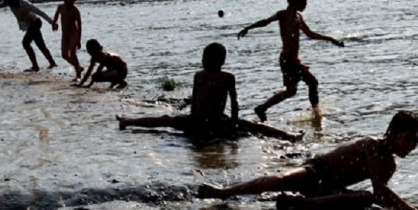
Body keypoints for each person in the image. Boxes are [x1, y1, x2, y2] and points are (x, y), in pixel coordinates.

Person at [197, 110, 418, 210]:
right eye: (408, 138)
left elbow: (379, 195)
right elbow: (381, 190)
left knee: (363, 198)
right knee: (281, 180)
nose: (412, 145)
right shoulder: (372, 145)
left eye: (416, 141)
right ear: (391, 132)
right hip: (316, 171)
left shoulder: (390, 165)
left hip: (329, 188)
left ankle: (298, 205)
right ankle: (223, 192)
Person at [115, 43, 302, 142]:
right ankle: (288, 136)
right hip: (210, 120)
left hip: (204, 120)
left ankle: (128, 121)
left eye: (204, 57)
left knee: (166, 120)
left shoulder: (211, 76)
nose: (202, 60)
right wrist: (234, 121)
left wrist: (232, 121)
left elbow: (228, 100)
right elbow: (232, 101)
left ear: (211, 60)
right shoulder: (218, 76)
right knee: (252, 126)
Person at [237, 0, 344, 122]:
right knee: (312, 83)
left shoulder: (298, 17)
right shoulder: (283, 15)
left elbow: (310, 33)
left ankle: (262, 108)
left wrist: (330, 39)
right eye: (304, 1)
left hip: (292, 59)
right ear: (294, 0)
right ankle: (316, 114)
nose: (306, 4)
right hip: (287, 59)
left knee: (291, 91)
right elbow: (266, 21)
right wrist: (249, 27)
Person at [0, 0, 58, 72]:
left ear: (15, 0)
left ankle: (36, 66)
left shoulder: (24, 3)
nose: (12, 6)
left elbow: (40, 12)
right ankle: (52, 63)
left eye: (12, 4)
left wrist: (52, 22)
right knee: (40, 44)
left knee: (26, 43)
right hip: (29, 25)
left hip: (35, 23)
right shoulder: (9, 2)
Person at [53, 0, 83, 81]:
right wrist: (54, 23)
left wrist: (79, 40)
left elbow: (80, 25)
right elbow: (56, 16)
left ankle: (78, 75)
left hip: (74, 34)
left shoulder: (75, 10)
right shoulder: (61, 7)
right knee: (64, 55)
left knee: (73, 54)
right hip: (64, 34)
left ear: (74, 0)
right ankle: (78, 67)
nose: (66, 1)